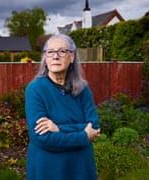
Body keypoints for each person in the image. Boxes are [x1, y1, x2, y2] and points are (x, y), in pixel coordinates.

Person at [25, 34, 101, 180]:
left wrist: (59, 129)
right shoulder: (35, 89)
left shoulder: (83, 89)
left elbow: (94, 127)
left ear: (71, 57)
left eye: (62, 51)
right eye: (50, 52)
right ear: (45, 58)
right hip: (49, 169)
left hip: (80, 168)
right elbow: (42, 138)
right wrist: (83, 135)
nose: (55, 56)